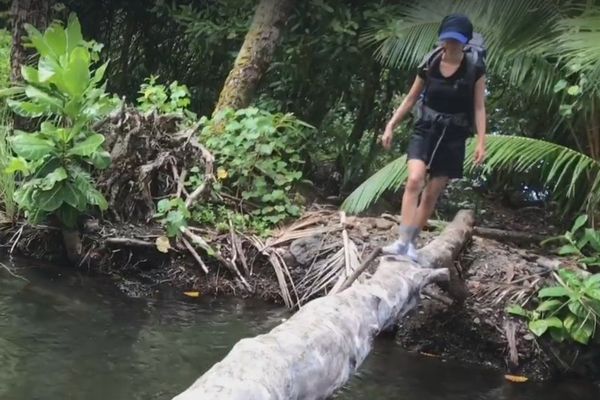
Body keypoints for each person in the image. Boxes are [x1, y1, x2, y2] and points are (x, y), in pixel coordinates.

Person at [380, 13, 486, 258]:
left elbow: (480, 107)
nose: (451, 45)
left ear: (465, 42)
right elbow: (411, 98)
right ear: (441, 39)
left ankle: (412, 244)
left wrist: (482, 141)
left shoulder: (475, 69)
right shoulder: (430, 62)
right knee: (415, 180)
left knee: (431, 192)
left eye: (457, 40)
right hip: (426, 128)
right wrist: (391, 125)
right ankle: (402, 241)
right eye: (448, 39)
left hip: (454, 135)